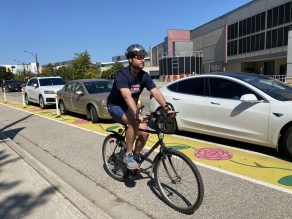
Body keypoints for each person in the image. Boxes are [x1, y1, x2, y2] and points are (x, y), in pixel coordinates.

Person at [107, 44, 174, 170]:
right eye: (139, 57)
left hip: (131, 108)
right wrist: (137, 114)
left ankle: (136, 154)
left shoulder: (144, 76)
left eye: (143, 57)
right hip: (116, 106)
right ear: (130, 59)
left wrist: (166, 108)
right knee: (134, 121)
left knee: (144, 133)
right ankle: (128, 155)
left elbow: (155, 92)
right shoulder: (121, 75)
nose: (142, 60)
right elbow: (127, 96)